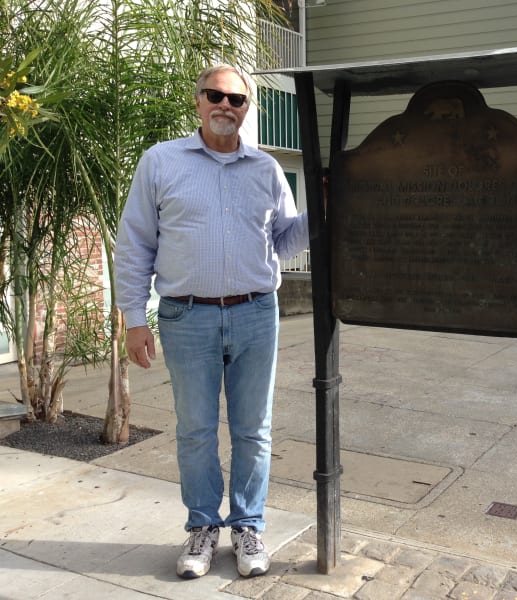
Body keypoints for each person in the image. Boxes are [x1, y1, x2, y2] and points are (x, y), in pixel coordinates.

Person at [114, 64, 309, 579]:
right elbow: (135, 244)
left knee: (254, 430)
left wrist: (327, 206)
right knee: (196, 430)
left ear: (248, 110)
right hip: (186, 315)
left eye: (237, 99)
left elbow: (285, 242)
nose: (226, 105)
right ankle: (202, 526)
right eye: (215, 95)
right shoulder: (161, 162)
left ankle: (247, 525)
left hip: (255, 313)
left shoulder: (266, 169)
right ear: (197, 100)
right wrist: (136, 319)